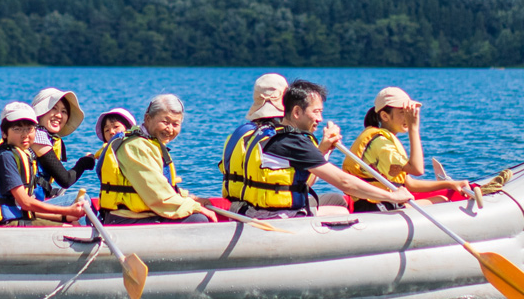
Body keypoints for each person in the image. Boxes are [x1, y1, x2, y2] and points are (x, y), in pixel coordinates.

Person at [222, 79, 411, 217]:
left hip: (244, 208)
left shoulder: (247, 133)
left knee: (336, 199)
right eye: (317, 112)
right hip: (273, 216)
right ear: (295, 111)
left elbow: (299, 181)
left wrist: (324, 149)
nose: (320, 119)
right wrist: (392, 196)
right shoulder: (291, 140)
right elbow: (345, 182)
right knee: (342, 211)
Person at [98, 94, 220, 224]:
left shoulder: (150, 143)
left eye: (175, 124)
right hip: (126, 219)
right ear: (148, 118)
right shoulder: (136, 146)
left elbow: (163, 189)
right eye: (165, 122)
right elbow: (158, 196)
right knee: (198, 219)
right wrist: (195, 207)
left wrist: (189, 199)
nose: (170, 129)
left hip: (144, 214)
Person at [0, 102, 88, 226]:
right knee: (70, 227)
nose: (25, 135)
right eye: (17, 129)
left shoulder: (24, 156)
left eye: (30, 129)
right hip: (3, 225)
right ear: (4, 133)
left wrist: (65, 216)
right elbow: (25, 203)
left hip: (16, 218)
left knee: (73, 222)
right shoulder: (5, 157)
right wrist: (68, 210)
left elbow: (24, 208)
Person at [345, 86, 465, 209]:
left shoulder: (384, 139)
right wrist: (413, 129)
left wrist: (449, 184)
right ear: (385, 116)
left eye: (409, 112)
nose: (408, 117)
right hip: (374, 207)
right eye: (402, 112)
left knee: (441, 198)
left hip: (379, 203)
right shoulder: (381, 144)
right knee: (443, 200)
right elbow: (418, 170)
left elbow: (410, 183)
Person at [28, 87, 86, 198]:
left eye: (64, 111)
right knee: (83, 200)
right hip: (25, 206)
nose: (59, 115)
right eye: (53, 108)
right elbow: (66, 180)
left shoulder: (42, 135)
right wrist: (83, 164)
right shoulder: (37, 136)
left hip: (32, 201)